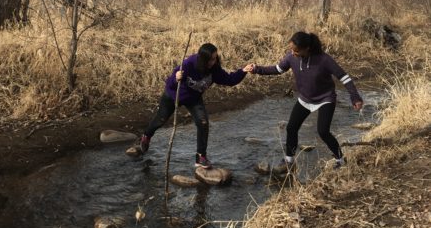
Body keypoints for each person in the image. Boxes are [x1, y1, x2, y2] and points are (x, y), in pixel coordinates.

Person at [248, 31, 363, 171]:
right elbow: (278, 69)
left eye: (296, 50)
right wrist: (257, 69)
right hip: (305, 99)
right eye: (291, 49)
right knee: (291, 128)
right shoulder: (291, 57)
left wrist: (354, 96)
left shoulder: (324, 59)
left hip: (325, 99)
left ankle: (340, 160)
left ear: (306, 48)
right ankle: (289, 161)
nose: (292, 52)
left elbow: (344, 77)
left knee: (323, 131)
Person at [140, 43, 253, 169]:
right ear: (203, 58)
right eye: (210, 59)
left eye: (215, 58)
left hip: (193, 99)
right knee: (160, 120)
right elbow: (170, 83)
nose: (213, 61)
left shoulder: (214, 69)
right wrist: (176, 78)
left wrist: (243, 71)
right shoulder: (189, 64)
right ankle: (146, 136)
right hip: (174, 95)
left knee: (203, 122)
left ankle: (201, 157)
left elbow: (230, 80)